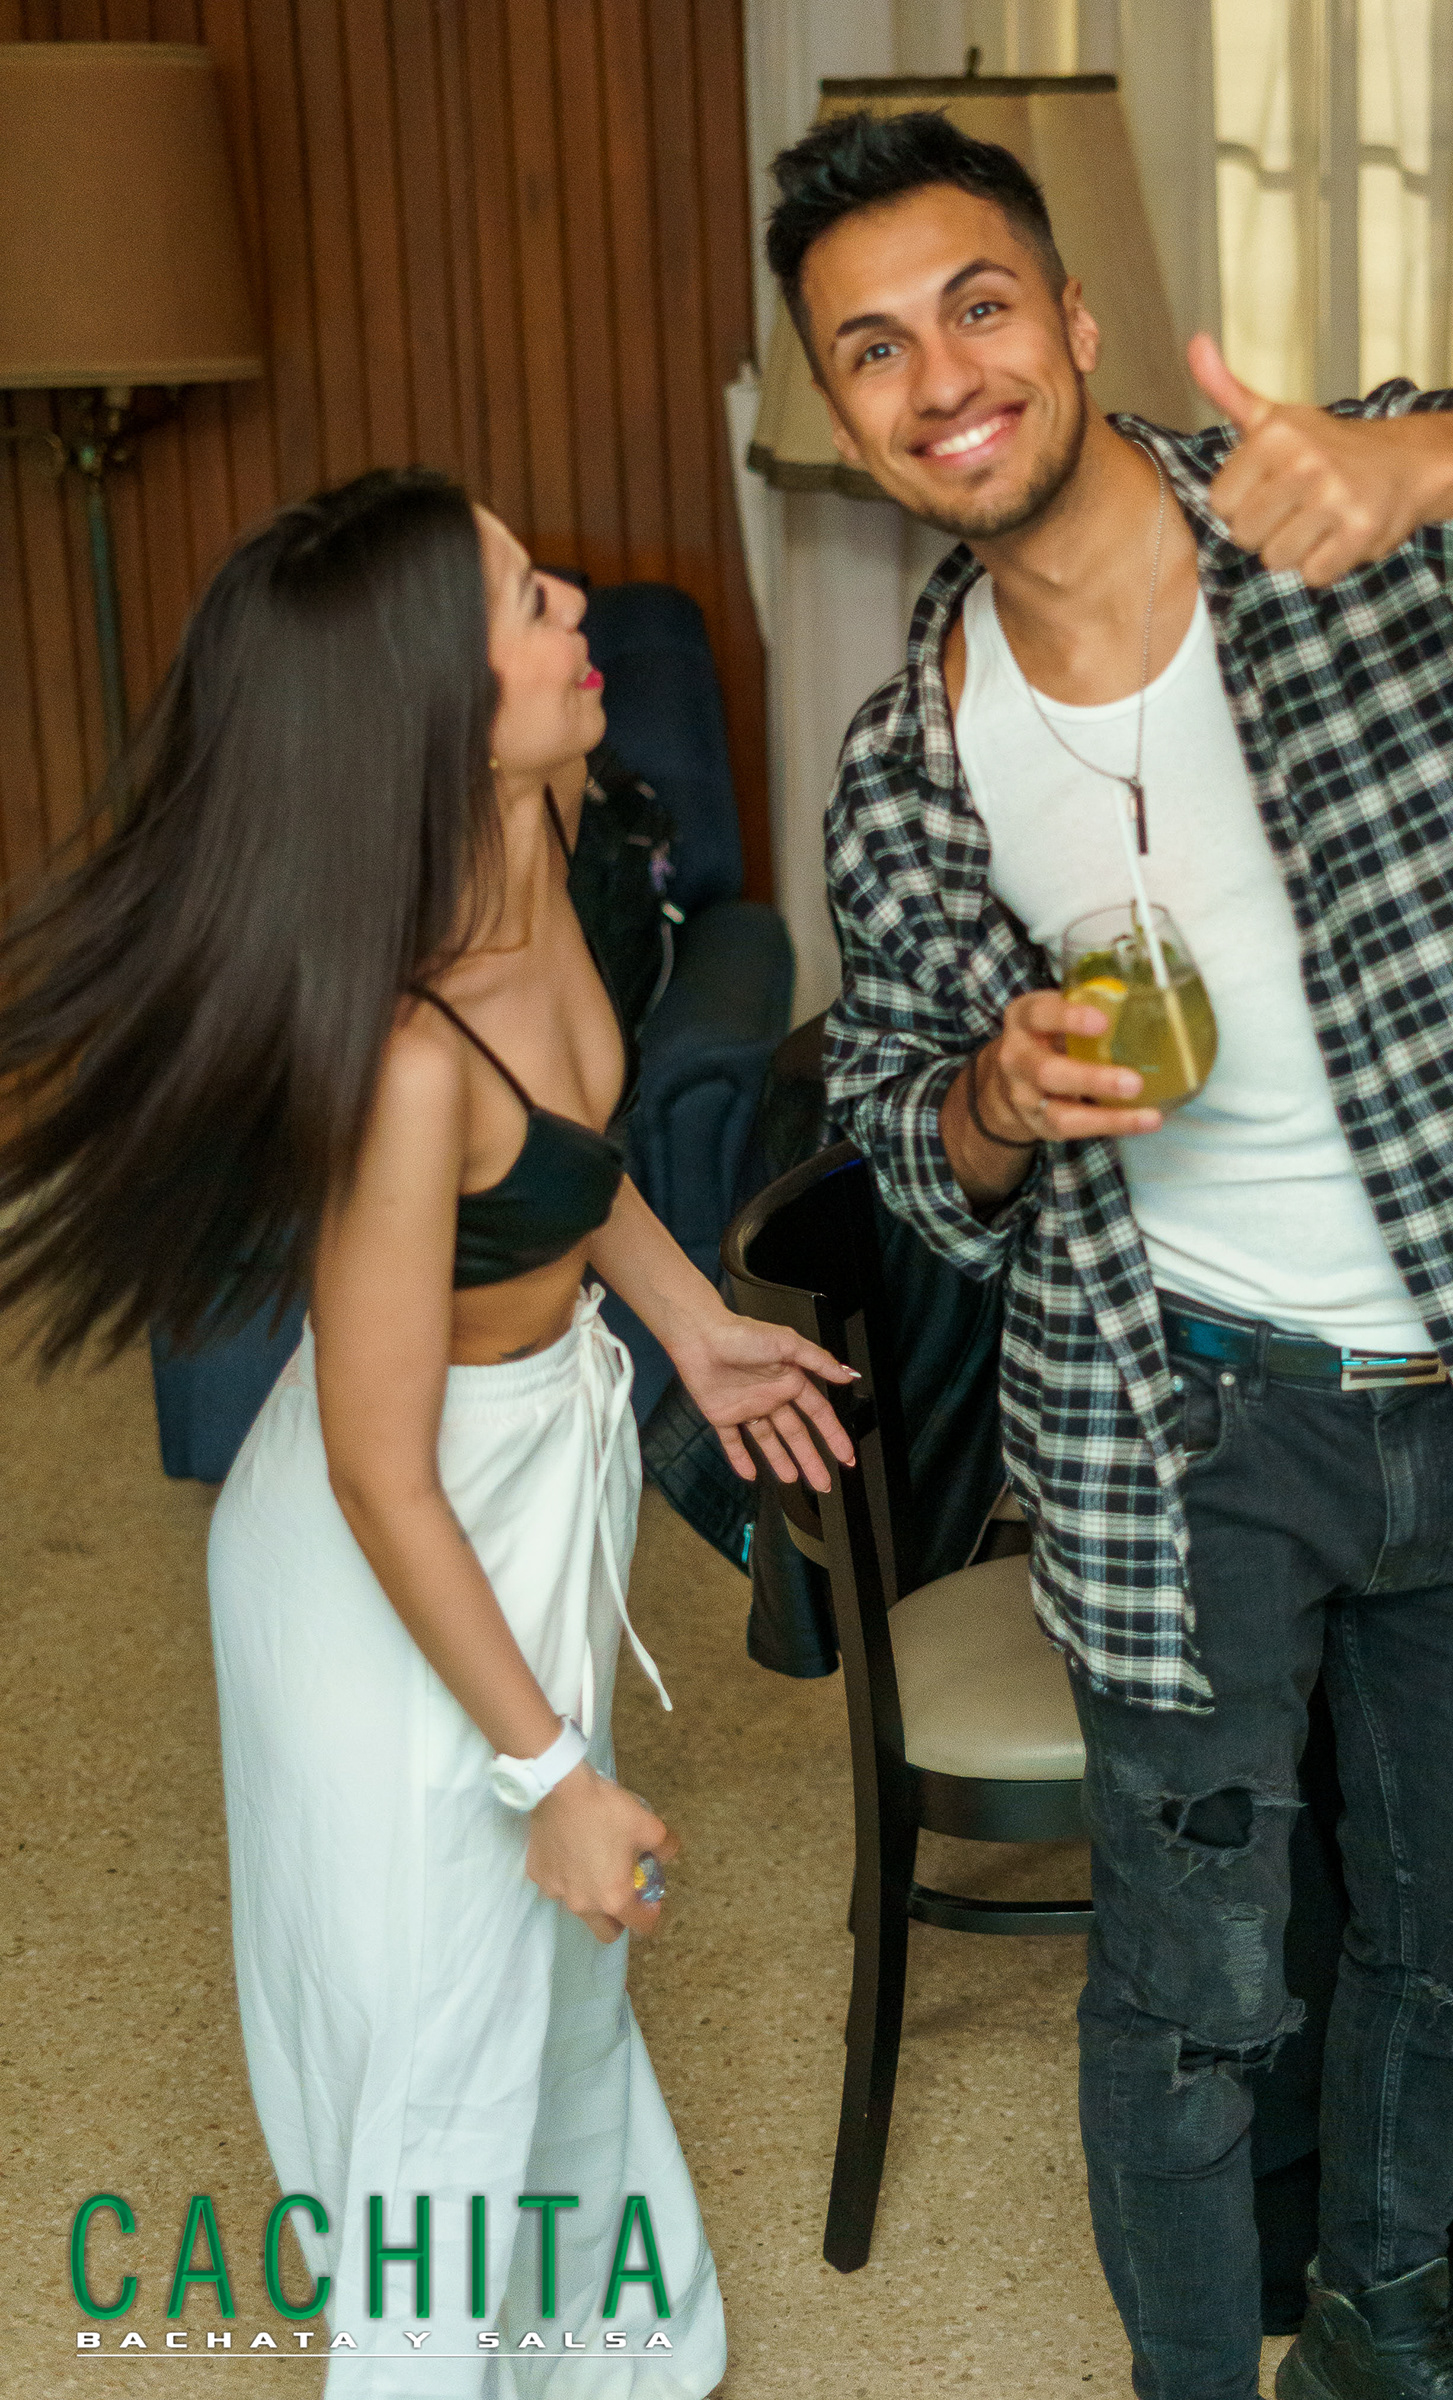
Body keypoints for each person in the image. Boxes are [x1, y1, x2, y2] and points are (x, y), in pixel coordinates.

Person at [762, 109, 1453, 2400]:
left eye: (977, 303)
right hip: (1181, 1439)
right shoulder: (903, 774)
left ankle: (1381, 2327)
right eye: (869, 347)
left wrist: (1430, 471)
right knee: (1188, 1999)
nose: (938, 373)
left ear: (1073, 320)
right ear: (845, 418)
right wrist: (990, 1102)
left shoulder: (1355, 522)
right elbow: (899, 1132)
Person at [0, 468, 856, 2392]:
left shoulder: (536, 826)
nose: (580, 610)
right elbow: (381, 1475)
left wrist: (695, 1326)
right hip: (392, 1543)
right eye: (528, 600)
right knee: (440, 2051)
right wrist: (547, 1770)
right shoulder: (397, 1063)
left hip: (530, 1480)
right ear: (432, 709)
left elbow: (569, 1165)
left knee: (554, 1985)